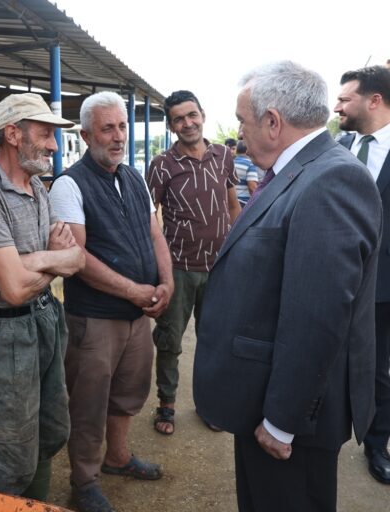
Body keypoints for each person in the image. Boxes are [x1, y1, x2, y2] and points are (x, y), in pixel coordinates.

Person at [193, 61, 382, 512]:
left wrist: (281, 421)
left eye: (242, 121)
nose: (238, 134)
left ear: (273, 122)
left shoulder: (331, 179)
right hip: (262, 395)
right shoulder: (301, 172)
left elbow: (317, 316)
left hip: (292, 417)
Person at [0, 92, 86, 500]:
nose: (53, 144)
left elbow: (78, 258)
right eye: (46, 134)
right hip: (5, 336)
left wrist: (33, 261)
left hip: (45, 319)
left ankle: (35, 503)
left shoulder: (38, 189)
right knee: (10, 452)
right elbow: (11, 290)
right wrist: (53, 262)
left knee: (50, 431)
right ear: (13, 134)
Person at [49, 91, 173, 512]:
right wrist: (133, 291)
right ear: (85, 135)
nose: (118, 136)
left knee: (128, 394)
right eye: (107, 128)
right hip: (96, 318)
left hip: (138, 315)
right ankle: (83, 482)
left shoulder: (134, 177)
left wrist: (167, 282)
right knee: (88, 404)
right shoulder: (68, 184)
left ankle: (118, 458)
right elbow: (77, 259)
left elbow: (155, 233)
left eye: (121, 126)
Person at [146, 90, 241, 435]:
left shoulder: (222, 156)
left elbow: (233, 206)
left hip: (218, 268)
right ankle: (166, 405)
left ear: (202, 114)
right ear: (171, 126)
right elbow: (149, 218)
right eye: (178, 119)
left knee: (213, 340)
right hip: (179, 269)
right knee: (170, 340)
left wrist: (236, 248)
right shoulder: (162, 165)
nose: (187, 123)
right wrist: (158, 266)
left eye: (191, 115)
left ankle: (208, 404)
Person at [334, 64, 390, 485]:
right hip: (336, 278)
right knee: (328, 354)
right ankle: (325, 426)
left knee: (379, 367)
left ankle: (376, 442)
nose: (337, 106)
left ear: (374, 100)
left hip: (385, 286)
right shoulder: (341, 144)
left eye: (345, 98)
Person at [233, 140, 259, 206]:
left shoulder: (230, 163)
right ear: (247, 150)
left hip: (231, 202)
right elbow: (252, 187)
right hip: (243, 203)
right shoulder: (249, 164)